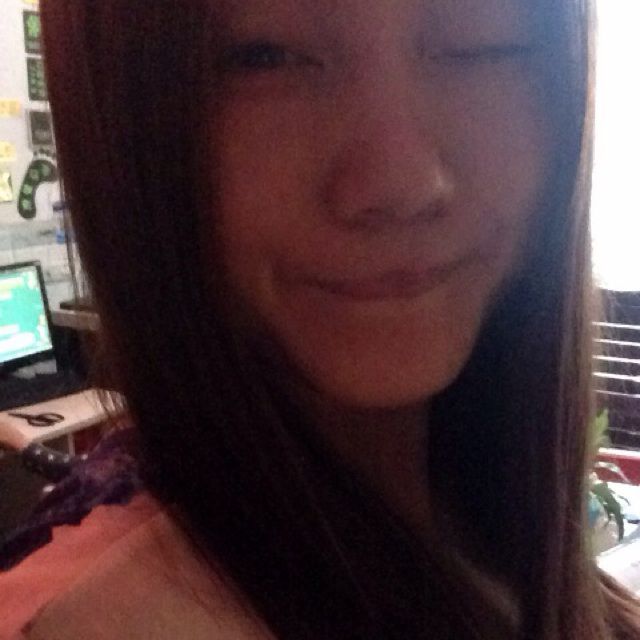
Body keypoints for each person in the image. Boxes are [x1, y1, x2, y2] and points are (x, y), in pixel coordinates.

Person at [2, 0, 639, 638]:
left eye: (481, 42)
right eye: (263, 56)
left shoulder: (506, 539)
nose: (401, 183)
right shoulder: (109, 620)